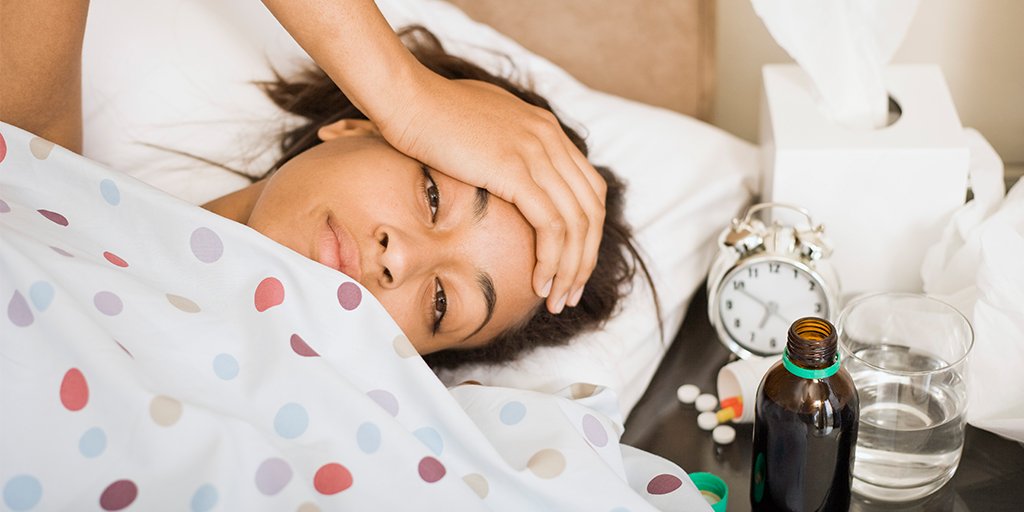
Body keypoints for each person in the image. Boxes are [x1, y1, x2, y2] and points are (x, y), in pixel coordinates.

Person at [0, 1, 655, 366]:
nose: (402, 259)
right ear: (351, 126)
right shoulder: (36, 182)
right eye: (433, 197)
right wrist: (405, 94)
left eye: (440, 305)